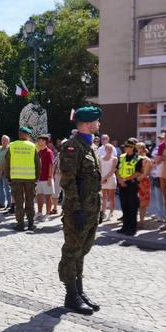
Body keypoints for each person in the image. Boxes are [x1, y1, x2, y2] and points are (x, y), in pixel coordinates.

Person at [58, 106, 103, 316]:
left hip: (91, 209)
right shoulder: (71, 147)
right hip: (78, 210)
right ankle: (71, 295)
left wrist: (98, 208)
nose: (99, 124)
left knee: (82, 252)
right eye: (96, 121)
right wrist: (76, 210)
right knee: (72, 251)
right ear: (86, 123)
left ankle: (79, 291)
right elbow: (68, 181)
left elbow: (93, 181)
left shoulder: (91, 146)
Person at [5, 126, 41, 231]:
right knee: (30, 201)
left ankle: (20, 224)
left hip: (16, 178)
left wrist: (8, 176)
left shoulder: (12, 145)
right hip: (30, 178)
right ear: (27, 135)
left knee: (18, 202)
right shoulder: (32, 146)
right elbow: (38, 164)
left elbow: (7, 162)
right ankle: (30, 223)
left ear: (20, 134)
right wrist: (37, 177)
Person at [116, 140, 142, 236]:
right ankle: (125, 226)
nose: (125, 148)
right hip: (122, 184)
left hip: (131, 184)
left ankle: (132, 228)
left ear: (132, 148)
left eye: (127, 147)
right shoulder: (122, 157)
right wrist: (120, 180)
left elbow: (138, 172)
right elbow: (117, 169)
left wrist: (125, 179)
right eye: (125, 147)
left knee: (132, 206)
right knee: (124, 205)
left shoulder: (137, 158)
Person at [35, 135, 54, 221]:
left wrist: (50, 177)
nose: (38, 142)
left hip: (47, 178)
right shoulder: (39, 152)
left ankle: (48, 214)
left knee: (48, 196)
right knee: (39, 196)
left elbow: (51, 165)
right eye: (38, 140)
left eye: (40, 140)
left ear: (44, 141)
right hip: (39, 178)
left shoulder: (49, 152)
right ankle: (39, 212)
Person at [135, 142, 152, 227]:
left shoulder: (147, 160)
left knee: (143, 203)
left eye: (138, 148)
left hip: (143, 183)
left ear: (142, 149)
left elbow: (145, 174)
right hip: (134, 181)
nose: (136, 149)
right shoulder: (134, 158)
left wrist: (135, 180)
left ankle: (141, 221)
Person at [99, 143, 118, 221]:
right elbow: (99, 169)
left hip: (111, 179)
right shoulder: (100, 158)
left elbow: (112, 170)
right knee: (103, 197)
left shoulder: (115, 159)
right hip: (102, 179)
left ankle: (111, 213)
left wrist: (105, 178)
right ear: (105, 150)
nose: (109, 150)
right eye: (108, 149)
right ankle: (103, 213)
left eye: (111, 149)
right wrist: (102, 178)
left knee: (111, 197)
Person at [0, 135, 11, 209]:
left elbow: (6, 162)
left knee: (7, 188)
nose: (3, 141)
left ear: (8, 141)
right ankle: (1, 203)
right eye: (2, 140)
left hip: (5, 171)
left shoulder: (9, 149)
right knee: (0, 188)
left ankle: (9, 204)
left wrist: (1, 171)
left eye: (5, 140)